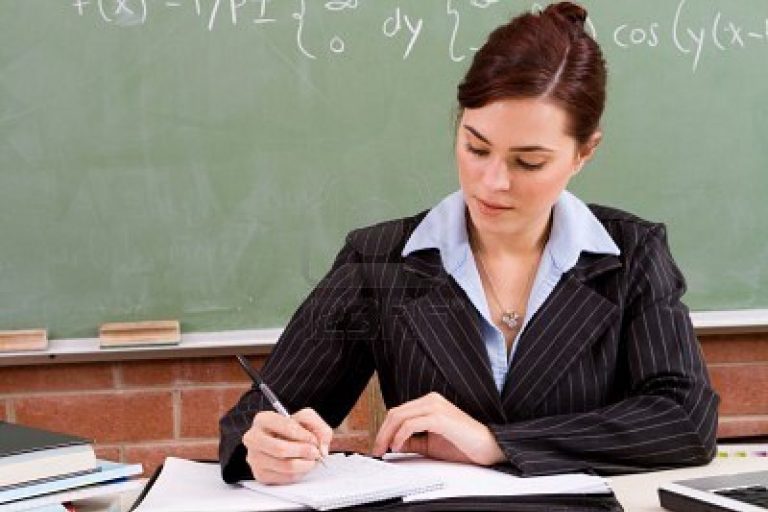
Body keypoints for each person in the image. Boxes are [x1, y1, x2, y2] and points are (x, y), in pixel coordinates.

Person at [219, 2, 718, 485]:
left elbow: (685, 419)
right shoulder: (379, 260)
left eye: (528, 162)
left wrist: (497, 442)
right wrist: (264, 447)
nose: (492, 182)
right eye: (477, 147)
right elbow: (254, 420)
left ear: (584, 152)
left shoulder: (631, 255)